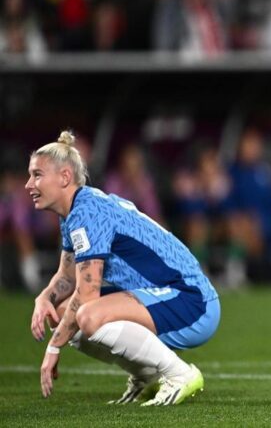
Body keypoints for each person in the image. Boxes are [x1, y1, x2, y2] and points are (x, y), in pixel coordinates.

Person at [27, 131, 220, 405]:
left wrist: (54, 347)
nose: (28, 184)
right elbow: (67, 277)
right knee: (61, 313)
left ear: (64, 177)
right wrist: (44, 297)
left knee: (88, 316)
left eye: (36, 175)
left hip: (192, 300)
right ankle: (147, 376)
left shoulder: (87, 212)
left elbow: (86, 295)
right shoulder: (76, 210)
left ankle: (178, 374)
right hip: (164, 294)